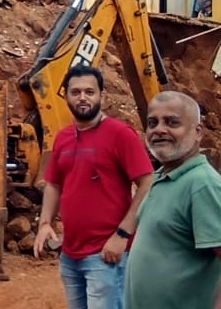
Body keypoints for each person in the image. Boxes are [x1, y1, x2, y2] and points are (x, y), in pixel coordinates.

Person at [33, 65, 154, 309]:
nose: (83, 97)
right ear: (65, 96)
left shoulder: (121, 134)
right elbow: (54, 184)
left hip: (106, 255)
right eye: (75, 92)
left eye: (90, 91)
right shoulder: (63, 137)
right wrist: (45, 224)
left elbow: (147, 183)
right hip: (70, 255)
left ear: (102, 96)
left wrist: (122, 235)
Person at [124, 91, 221, 309]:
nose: (159, 130)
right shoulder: (159, 179)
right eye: (152, 123)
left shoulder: (202, 185)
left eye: (172, 122)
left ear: (198, 132)